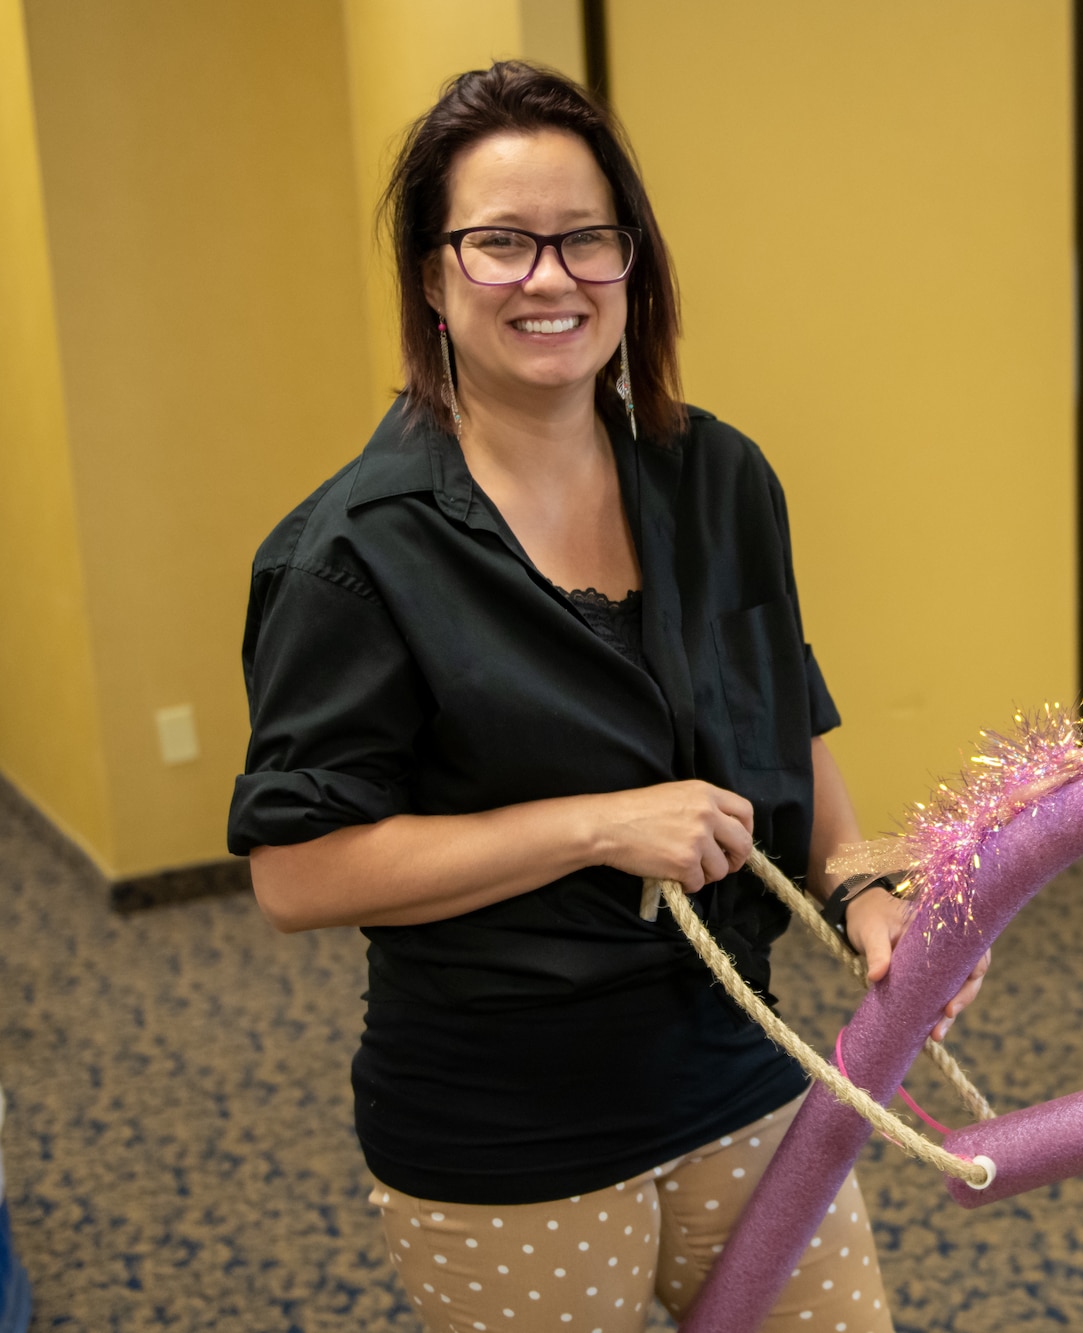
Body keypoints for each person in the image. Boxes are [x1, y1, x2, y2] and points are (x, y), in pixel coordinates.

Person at [226, 62, 984, 1333]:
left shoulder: (718, 479)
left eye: (587, 240)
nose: (550, 277)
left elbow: (784, 722)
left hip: (741, 1068)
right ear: (431, 275)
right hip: (507, 1128)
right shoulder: (352, 555)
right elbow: (298, 875)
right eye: (500, 243)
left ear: (631, 265)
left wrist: (864, 887)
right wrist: (596, 823)